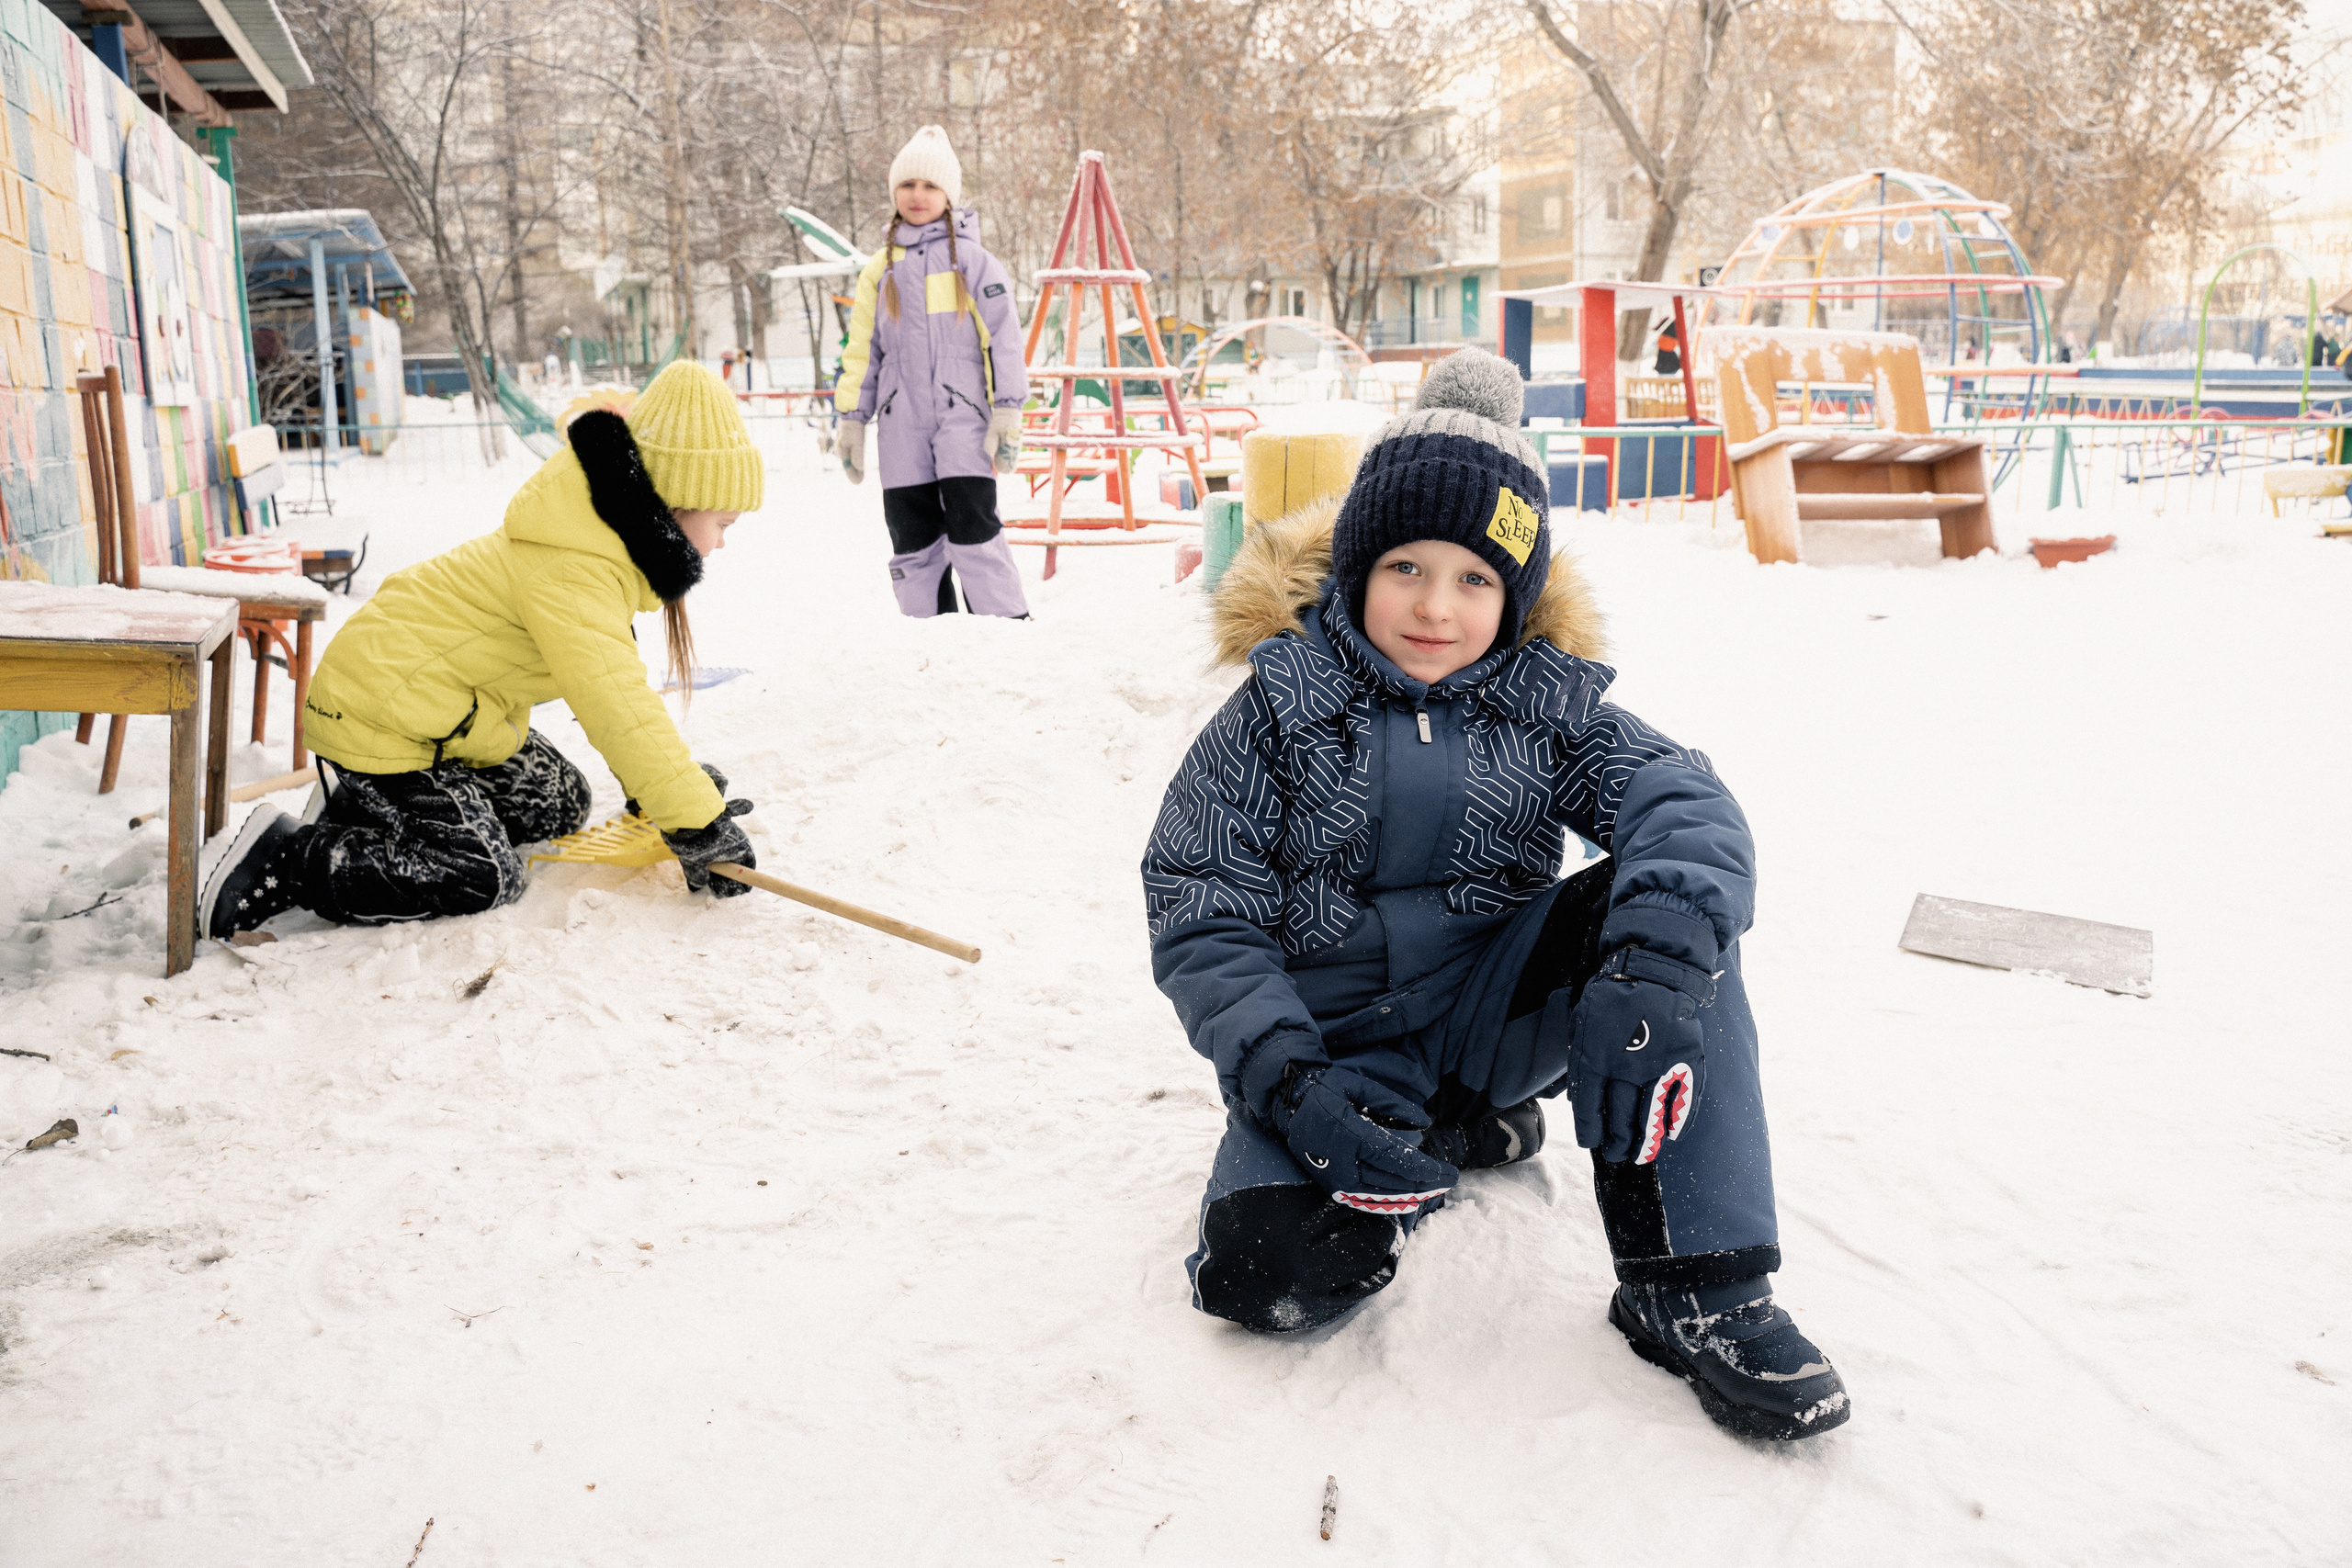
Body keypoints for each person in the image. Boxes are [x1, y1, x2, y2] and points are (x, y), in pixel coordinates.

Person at [1141, 348, 1849, 1442]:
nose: (1437, 607)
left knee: (1670, 921)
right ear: (1356, 567)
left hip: (1488, 1019)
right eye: (1406, 568)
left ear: (1514, 595)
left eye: (1475, 579)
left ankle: (1698, 1288)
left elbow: (1684, 803)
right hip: (1332, 1059)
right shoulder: (1276, 714)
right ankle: (1437, 1138)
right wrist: (1287, 1084)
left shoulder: (1542, 706)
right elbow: (1202, 906)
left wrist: (1653, 965)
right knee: (1263, 1279)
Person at [198, 361, 764, 937]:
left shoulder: (597, 544)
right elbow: (615, 704)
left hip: (432, 707)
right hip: (383, 716)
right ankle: (286, 859)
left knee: (560, 803)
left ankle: (366, 810)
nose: (721, 543)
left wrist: (662, 792)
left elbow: (613, 687)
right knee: (481, 875)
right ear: (675, 502)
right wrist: (694, 822)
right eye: (723, 523)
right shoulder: (577, 567)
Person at [831, 125, 1030, 619]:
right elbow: (862, 352)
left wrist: (1007, 410)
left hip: (963, 420)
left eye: (930, 186)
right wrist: (852, 418)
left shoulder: (975, 264)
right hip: (901, 424)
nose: (917, 195)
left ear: (948, 196)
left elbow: (1003, 339)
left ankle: (1007, 634)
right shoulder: (879, 271)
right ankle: (926, 640)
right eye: (907, 184)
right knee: (912, 538)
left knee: (974, 532)